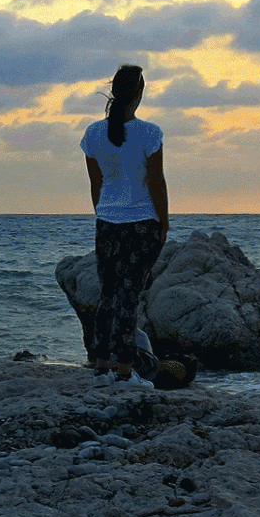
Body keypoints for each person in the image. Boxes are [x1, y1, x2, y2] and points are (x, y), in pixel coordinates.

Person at [79, 64, 168, 386]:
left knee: (108, 296)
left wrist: (103, 214)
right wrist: (164, 222)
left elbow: (96, 184)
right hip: (142, 223)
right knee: (129, 299)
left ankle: (101, 364)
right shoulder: (150, 133)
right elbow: (156, 182)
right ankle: (124, 370)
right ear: (140, 93)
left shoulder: (92, 133)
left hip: (107, 222)